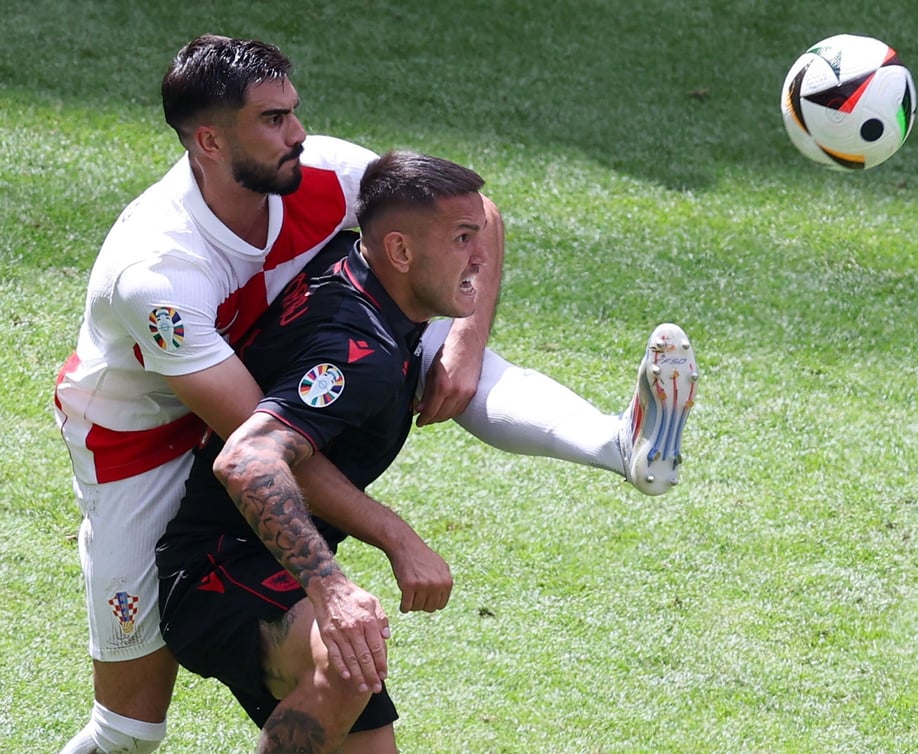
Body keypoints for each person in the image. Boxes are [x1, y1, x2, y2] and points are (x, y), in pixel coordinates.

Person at [53, 34, 697, 753]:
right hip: (143, 440)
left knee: (415, 329)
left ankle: (620, 443)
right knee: (131, 730)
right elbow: (254, 449)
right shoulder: (156, 271)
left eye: (293, 111)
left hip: (275, 374)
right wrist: (391, 540)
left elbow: (469, 210)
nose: (298, 133)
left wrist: (464, 343)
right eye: (272, 120)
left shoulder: (318, 168)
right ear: (208, 139)